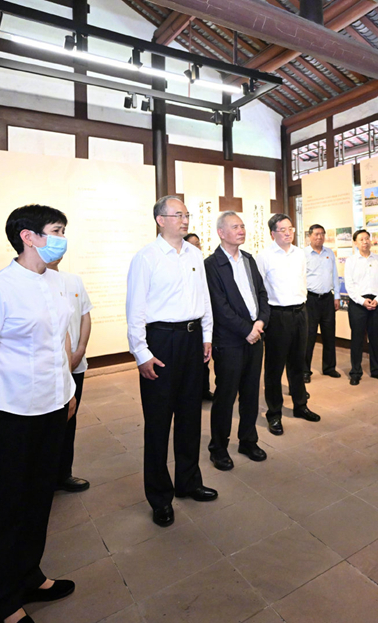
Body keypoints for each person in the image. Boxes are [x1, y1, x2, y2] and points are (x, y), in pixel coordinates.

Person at [0, 205, 79, 623]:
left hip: (53, 407)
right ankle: (1, 602)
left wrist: (67, 392)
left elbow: (59, 342)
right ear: (28, 236)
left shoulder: (57, 282)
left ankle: (29, 575)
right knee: (10, 507)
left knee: (39, 500)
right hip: (12, 413)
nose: (62, 238)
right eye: (56, 230)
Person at [126, 196, 216, 529]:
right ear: (160, 219)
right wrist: (141, 353)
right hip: (161, 341)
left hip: (192, 340)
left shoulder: (194, 254)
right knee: (158, 422)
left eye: (186, 214)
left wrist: (207, 335)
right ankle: (160, 497)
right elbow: (135, 309)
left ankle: (188, 482)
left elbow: (204, 298)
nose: (185, 219)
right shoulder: (146, 257)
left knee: (191, 416)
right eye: (178, 214)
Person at [204, 212, 269, 469]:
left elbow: (262, 294)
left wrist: (261, 322)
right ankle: (218, 447)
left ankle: (248, 440)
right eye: (235, 227)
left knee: (251, 393)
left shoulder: (249, 260)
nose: (241, 230)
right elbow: (219, 307)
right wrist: (246, 330)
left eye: (242, 226)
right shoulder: (212, 265)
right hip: (229, 341)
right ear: (221, 232)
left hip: (255, 336)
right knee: (226, 395)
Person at [255, 214, 320, 435]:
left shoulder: (299, 254)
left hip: (300, 312)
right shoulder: (264, 256)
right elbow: (259, 290)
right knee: (274, 367)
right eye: (282, 229)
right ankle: (274, 413)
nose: (288, 233)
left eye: (290, 228)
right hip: (277, 315)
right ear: (272, 233)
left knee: (298, 363)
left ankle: (300, 405)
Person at [46, 258, 92, 493]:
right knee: (46, 424)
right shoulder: (34, 282)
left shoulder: (73, 280)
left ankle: (63, 474)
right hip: (49, 368)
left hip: (75, 364)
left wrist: (80, 349)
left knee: (69, 418)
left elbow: (85, 316)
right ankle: (43, 478)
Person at [343, 229, 378, 386]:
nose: (365, 241)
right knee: (357, 338)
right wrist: (362, 301)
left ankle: (377, 370)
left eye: (367, 238)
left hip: (376, 302)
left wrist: (377, 299)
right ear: (355, 243)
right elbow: (349, 285)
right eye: (361, 239)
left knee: (374, 337)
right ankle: (355, 372)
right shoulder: (351, 261)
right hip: (358, 304)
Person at [303, 224, 341, 382]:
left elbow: (334, 275)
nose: (319, 237)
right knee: (309, 336)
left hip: (327, 299)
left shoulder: (329, 253)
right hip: (310, 299)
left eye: (322, 234)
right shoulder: (303, 254)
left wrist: (336, 296)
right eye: (316, 234)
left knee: (329, 335)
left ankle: (329, 367)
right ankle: (305, 371)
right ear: (309, 236)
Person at [184, 233, 214, 401]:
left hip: (204, 320)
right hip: (190, 323)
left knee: (204, 361)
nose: (196, 247)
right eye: (192, 244)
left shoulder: (205, 264)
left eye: (198, 244)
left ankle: (204, 390)